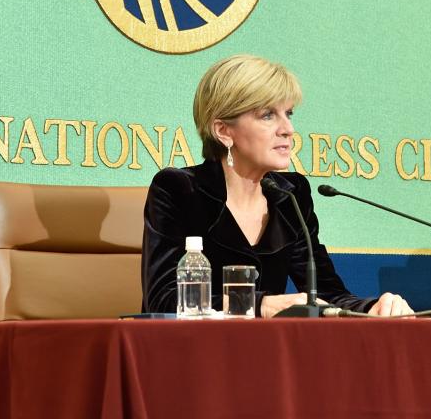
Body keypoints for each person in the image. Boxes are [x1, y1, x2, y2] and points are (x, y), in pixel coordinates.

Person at [141, 54, 413, 318]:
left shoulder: (289, 195)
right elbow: (164, 299)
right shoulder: (179, 190)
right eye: (268, 115)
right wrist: (260, 305)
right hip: (191, 352)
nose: (288, 129)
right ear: (223, 130)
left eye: (289, 114)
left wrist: (372, 308)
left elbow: (327, 295)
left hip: (268, 352)